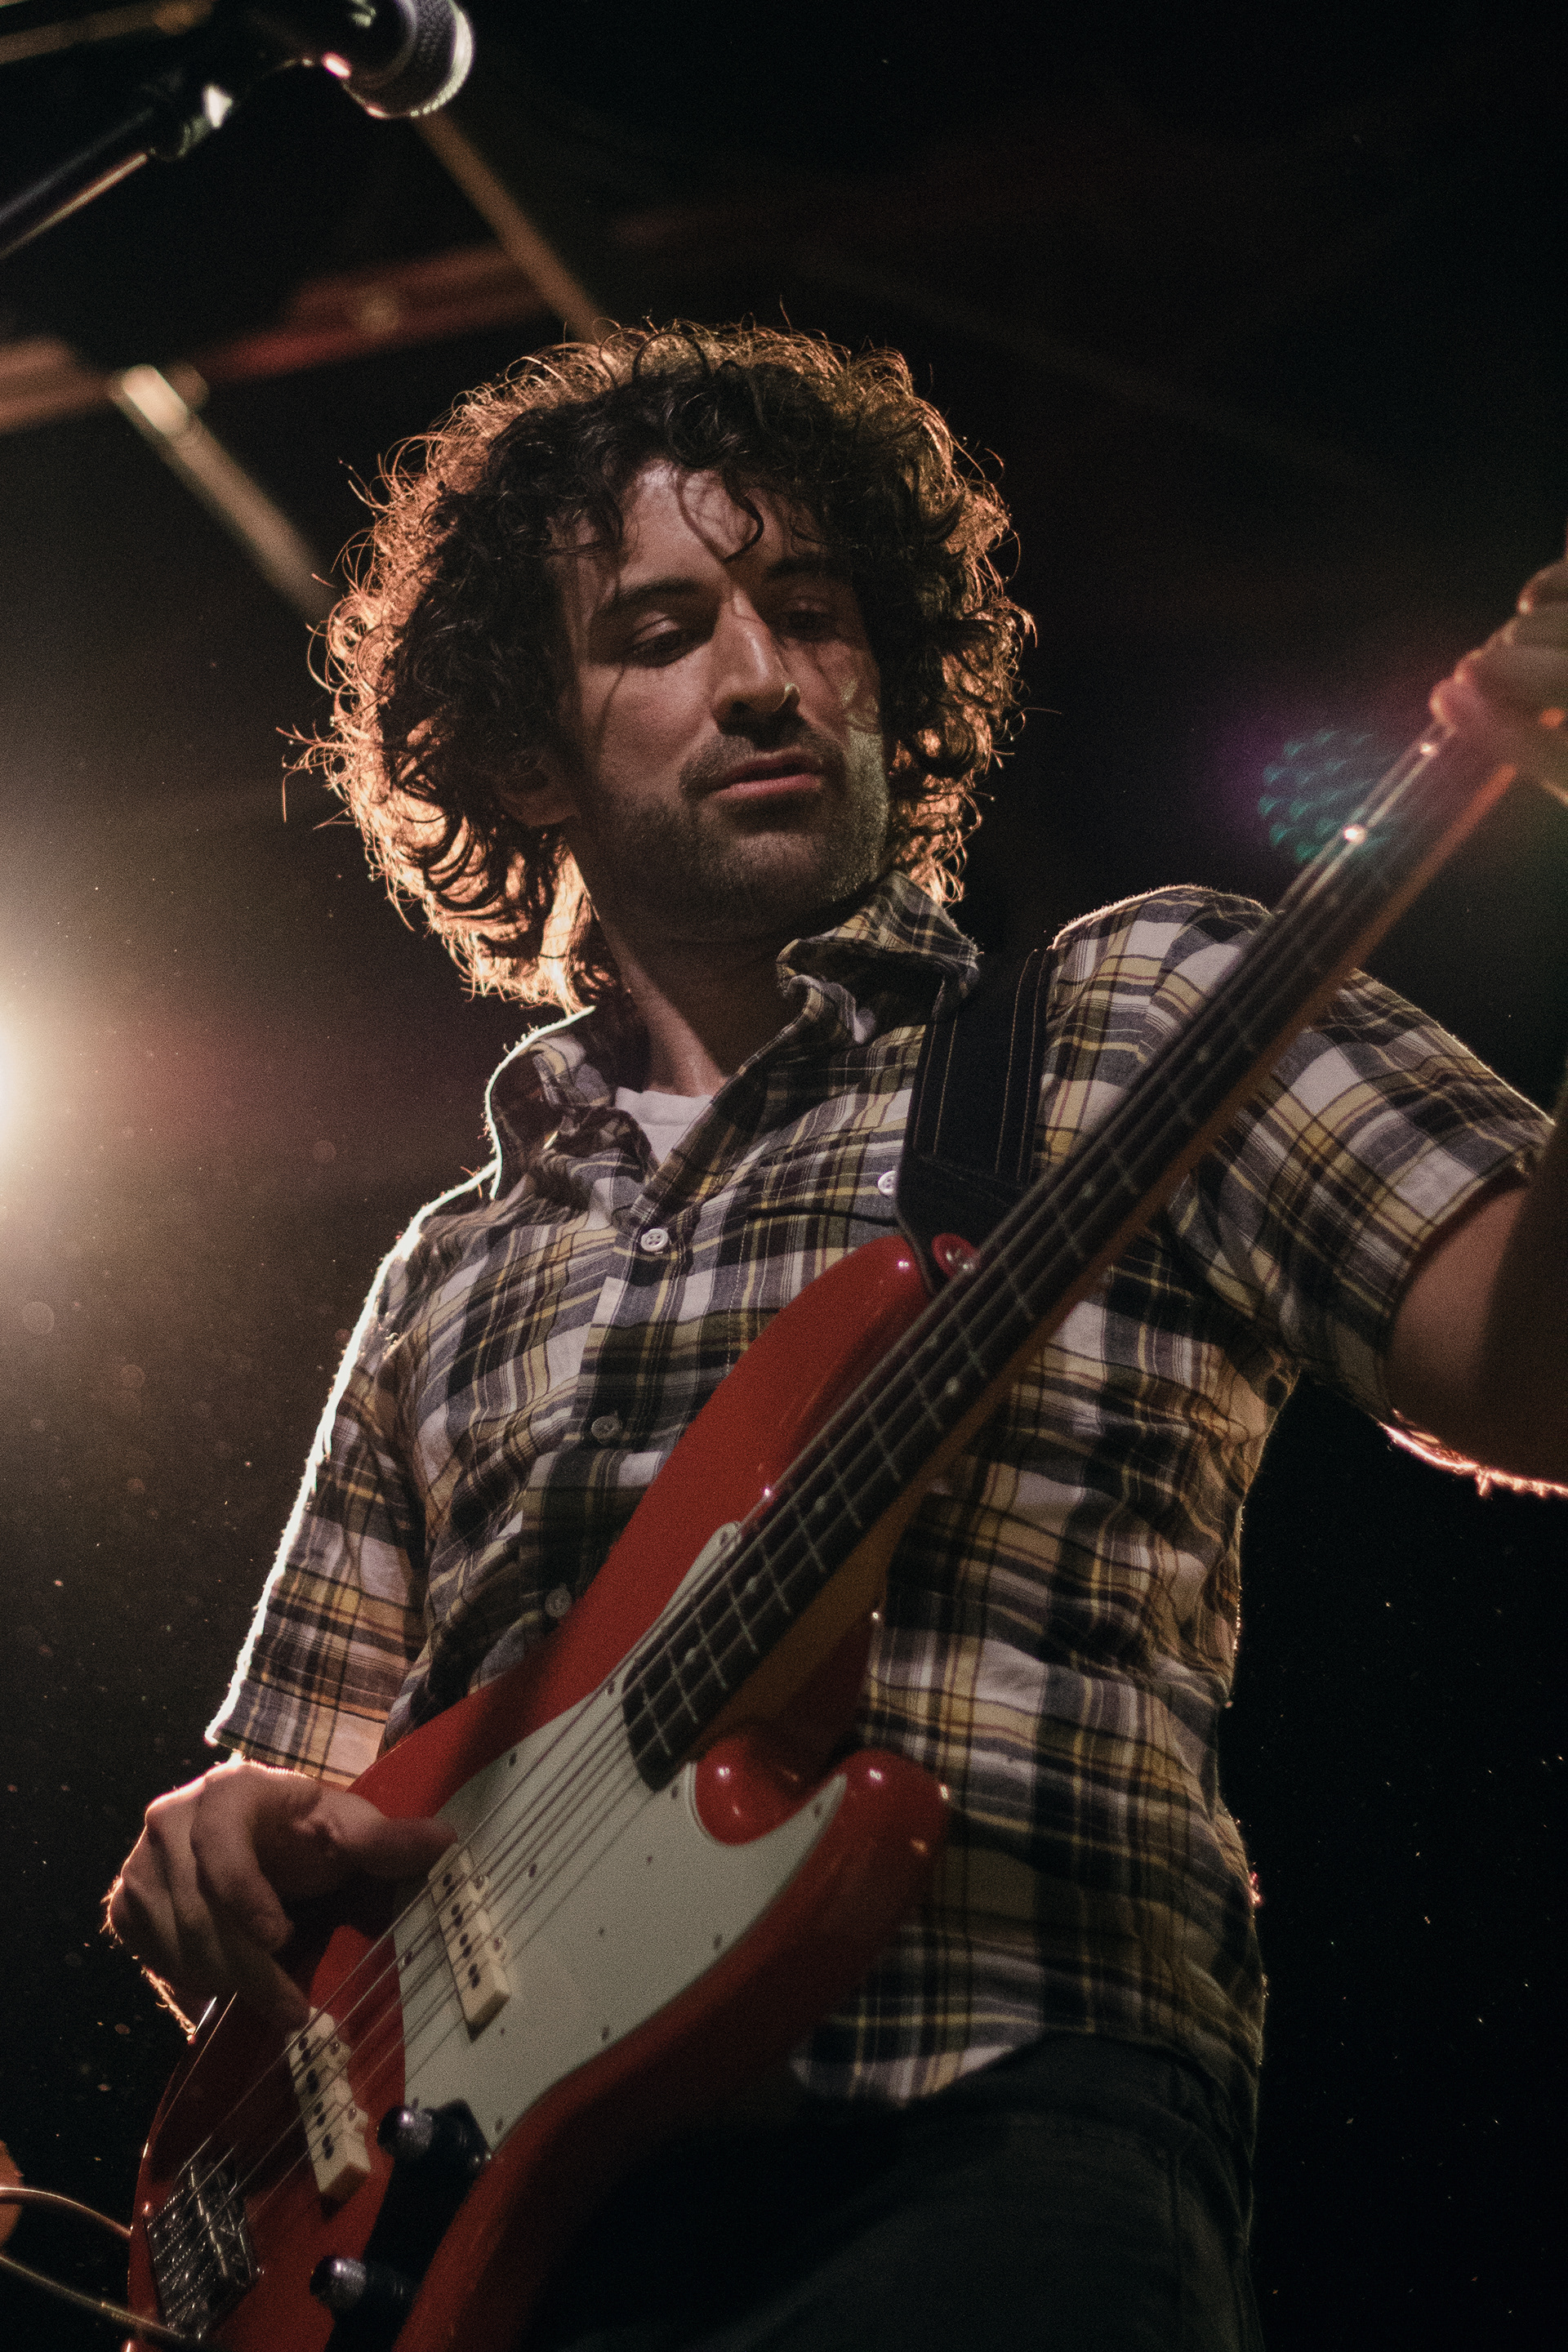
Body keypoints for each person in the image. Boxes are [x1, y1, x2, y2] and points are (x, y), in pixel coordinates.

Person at [107, 325, 1568, 2350]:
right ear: (527, 755)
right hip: (489, 2247)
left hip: (977, 2141)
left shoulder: (1132, 1017)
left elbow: (1541, 1373)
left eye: (810, 612)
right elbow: (309, 1863)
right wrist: (216, 1851)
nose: (765, 676)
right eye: (660, 633)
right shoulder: (450, 1268)